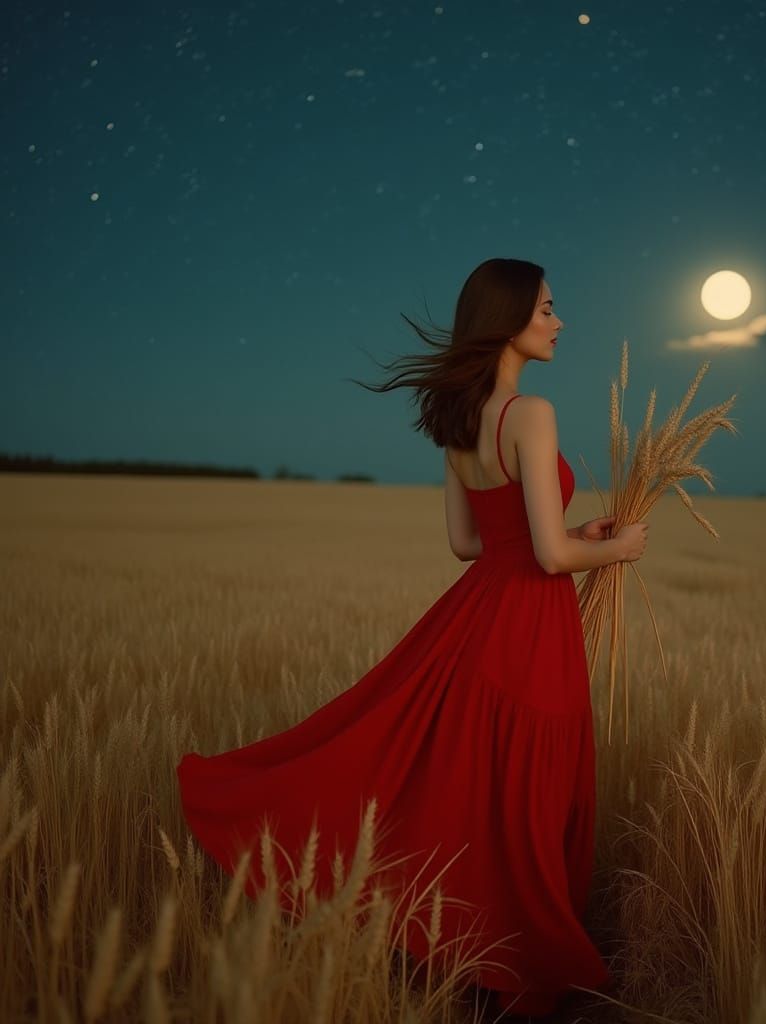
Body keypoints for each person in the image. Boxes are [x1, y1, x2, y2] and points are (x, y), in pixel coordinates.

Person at [176, 257, 649, 1019]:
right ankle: (521, 961)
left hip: (474, 621)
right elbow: (552, 558)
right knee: (529, 791)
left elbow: (469, 544)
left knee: (453, 783)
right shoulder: (530, 414)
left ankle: (473, 952)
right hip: (529, 629)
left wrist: (573, 531)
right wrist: (613, 549)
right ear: (508, 321)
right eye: (547, 309)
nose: (561, 323)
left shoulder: (459, 417)